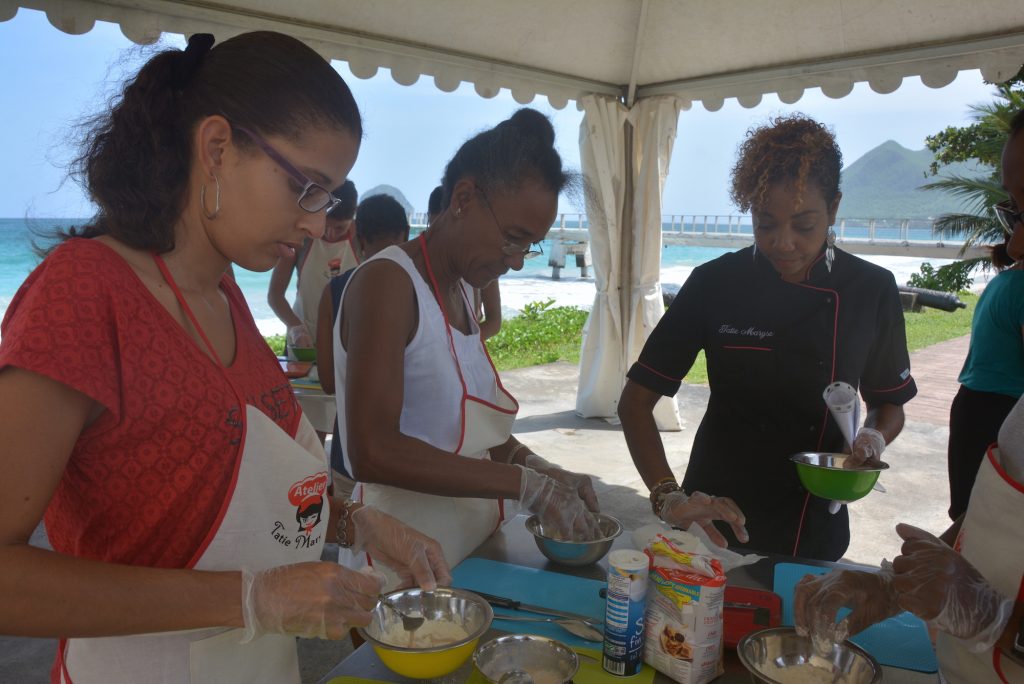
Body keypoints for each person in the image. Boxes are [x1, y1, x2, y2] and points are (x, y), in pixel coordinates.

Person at [0, 32, 448, 684]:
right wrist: (250, 597)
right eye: (307, 189)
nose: (319, 226)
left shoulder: (225, 291)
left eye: (329, 198)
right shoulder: (84, 293)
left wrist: (357, 522)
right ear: (216, 149)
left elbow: (237, 481)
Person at [618, 114, 917, 561]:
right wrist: (669, 496)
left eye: (804, 225)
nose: (783, 243)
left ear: (834, 209)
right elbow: (635, 402)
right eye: (765, 223)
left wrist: (873, 438)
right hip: (716, 513)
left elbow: (889, 401)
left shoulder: (870, 289)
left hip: (814, 518)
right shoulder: (714, 283)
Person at [794, 108, 1024, 683]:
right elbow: (996, 521)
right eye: (1014, 210)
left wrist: (999, 621)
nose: (1015, 242)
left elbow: (890, 398)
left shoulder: (867, 287)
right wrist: (895, 587)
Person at [336, 109, 601, 577]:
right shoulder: (389, 283)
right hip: (400, 564)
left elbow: (467, 433)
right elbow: (370, 450)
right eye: (512, 239)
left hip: (469, 548)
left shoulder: (462, 288)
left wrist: (539, 469)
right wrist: (523, 485)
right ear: (462, 199)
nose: (517, 262)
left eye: (530, 246)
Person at [316, 194, 411, 482]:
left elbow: (330, 382)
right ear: (405, 234)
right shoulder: (425, 291)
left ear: (358, 239)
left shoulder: (335, 291)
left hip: (349, 454)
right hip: (412, 459)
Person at [946, 207, 1024, 520]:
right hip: (1000, 412)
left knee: (972, 515)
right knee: (989, 520)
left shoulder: (1005, 280)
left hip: (974, 407)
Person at [268, 179, 359, 352]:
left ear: (353, 216)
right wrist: (296, 328)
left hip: (346, 343)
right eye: (326, 226)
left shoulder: (361, 241)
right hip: (304, 342)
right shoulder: (302, 238)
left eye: (339, 228)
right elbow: (275, 295)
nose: (331, 234)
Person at [429, 184, 503, 339]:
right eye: (436, 232)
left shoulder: (481, 261)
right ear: (429, 221)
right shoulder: (419, 263)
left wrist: (462, 345)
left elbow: (494, 321)